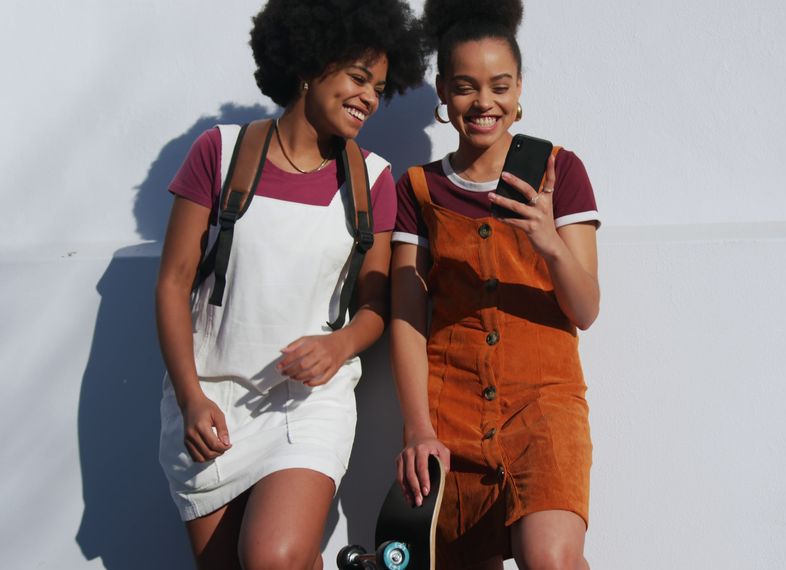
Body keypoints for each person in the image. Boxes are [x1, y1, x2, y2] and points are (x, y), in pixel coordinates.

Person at [155, 1, 426, 567]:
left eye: (378, 88)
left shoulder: (372, 180)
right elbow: (174, 284)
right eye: (358, 78)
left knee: (273, 557)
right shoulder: (220, 154)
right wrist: (190, 397)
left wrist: (339, 345)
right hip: (211, 401)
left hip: (307, 405)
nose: (369, 98)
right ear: (310, 64)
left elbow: (374, 304)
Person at [390, 0, 601, 567]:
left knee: (550, 558)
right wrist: (417, 429)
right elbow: (407, 317)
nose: (484, 102)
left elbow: (586, 309)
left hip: (544, 404)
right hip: (450, 413)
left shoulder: (559, 170)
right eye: (465, 87)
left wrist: (548, 242)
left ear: (519, 89)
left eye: (500, 86)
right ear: (443, 91)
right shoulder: (418, 189)